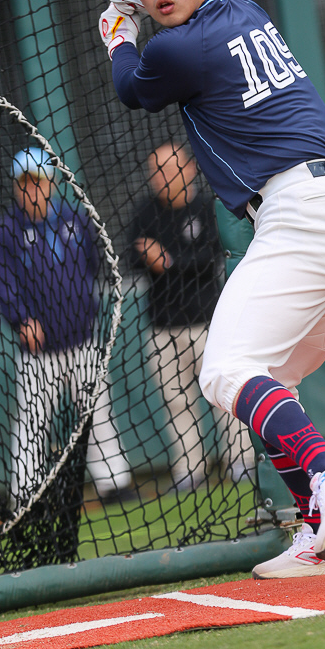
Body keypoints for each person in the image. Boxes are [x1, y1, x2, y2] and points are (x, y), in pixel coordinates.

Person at [98, 0, 325, 578]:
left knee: (224, 372)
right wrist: (141, 14)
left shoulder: (176, 50)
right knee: (269, 380)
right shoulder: (246, 10)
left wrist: (118, 34)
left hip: (304, 215)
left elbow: (130, 89)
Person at [0, 146, 132, 507]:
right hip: (39, 351)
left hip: (82, 338)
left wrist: (87, 308)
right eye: (23, 184)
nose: (30, 191)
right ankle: (26, 494)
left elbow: (92, 263)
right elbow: (4, 283)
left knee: (97, 412)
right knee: (32, 421)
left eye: (36, 183)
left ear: (51, 184)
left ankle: (113, 483)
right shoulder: (6, 231)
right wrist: (22, 318)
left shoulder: (75, 218)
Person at [131, 141, 253, 489]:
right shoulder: (144, 212)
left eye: (169, 169)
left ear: (188, 169)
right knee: (176, 401)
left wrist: (167, 261)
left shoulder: (208, 206)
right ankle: (190, 470)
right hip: (162, 326)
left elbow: (211, 257)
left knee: (224, 396)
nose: (162, 177)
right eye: (156, 171)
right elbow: (133, 256)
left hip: (208, 322)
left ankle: (241, 462)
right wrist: (156, 259)